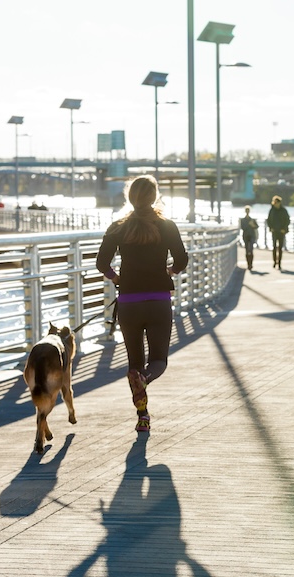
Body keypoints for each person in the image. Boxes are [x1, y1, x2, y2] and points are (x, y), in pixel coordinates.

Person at [96, 175, 189, 432]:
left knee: (134, 362)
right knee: (158, 360)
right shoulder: (167, 225)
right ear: (155, 196)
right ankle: (145, 379)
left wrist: (117, 279)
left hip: (129, 302)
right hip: (159, 300)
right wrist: (169, 271)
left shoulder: (117, 227)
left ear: (129, 197)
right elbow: (182, 259)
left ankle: (143, 416)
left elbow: (102, 263)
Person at [266, 195, 290, 270]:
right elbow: (268, 220)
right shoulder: (272, 210)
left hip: (281, 231)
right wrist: (271, 228)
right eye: (274, 202)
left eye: (277, 202)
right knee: (274, 247)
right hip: (274, 231)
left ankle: (279, 263)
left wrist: (284, 229)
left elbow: (287, 220)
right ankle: (274, 261)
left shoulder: (284, 210)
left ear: (279, 202)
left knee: (280, 248)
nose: (275, 204)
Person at [239, 205, 259, 270]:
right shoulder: (242, 220)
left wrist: (252, 225)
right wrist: (249, 225)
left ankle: (251, 264)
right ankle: (248, 264)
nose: (247, 212)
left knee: (251, 250)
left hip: (252, 235)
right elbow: (242, 228)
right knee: (247, 250)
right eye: (246, 210)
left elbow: (256, 226)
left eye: (248, 210)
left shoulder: (252, 219)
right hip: (246, 236)